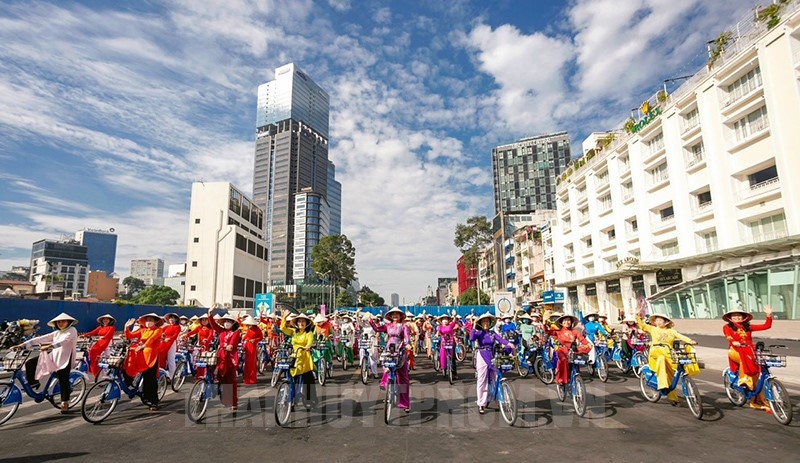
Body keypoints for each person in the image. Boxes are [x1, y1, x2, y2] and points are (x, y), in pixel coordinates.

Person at [16, 312, 79, 414]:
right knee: (30, 362)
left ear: (69, 322)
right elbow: (42, 338)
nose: (60, 323)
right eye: (58, 322)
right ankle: (33, 382)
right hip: (53, 356)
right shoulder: (57, 333)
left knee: (63, 378)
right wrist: (23, 344)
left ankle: (64, 402)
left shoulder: (72, 330)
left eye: (63, 321)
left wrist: (50, 346)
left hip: (65, 358)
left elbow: (64, 341)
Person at [637, 314, 697, 405]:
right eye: (657, 320)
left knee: (672, 375)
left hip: (668, 354)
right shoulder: (653, 329)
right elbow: (642, 325)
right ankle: (662, 385)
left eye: (660, 320)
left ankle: (673, 398)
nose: (658, 322)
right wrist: (637, 316)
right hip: (656, 354)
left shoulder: (671, 331)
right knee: (661, 359)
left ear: (666, 322)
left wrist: (690, 341)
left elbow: (681, 336)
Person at [723, 306, 774, 411]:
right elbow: (729, 337)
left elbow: (766, 326)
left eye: (739, 315)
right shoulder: (727, 327)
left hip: (749, 351)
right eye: (734, 316)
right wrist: (734, 342)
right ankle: (744, 382)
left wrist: (768, 315)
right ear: (730, 318)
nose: (737, 317)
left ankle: (756, 399)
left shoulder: (748, 327)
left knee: (757, 372)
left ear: (743, 317)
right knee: (744, 360)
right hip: (735, 351)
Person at [469, 313, 514, 414]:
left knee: (496, 377)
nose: (486, 323)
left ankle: (500, 400)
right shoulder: (479, 332)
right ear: (480, 323)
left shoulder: (492, 333)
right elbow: (471, 338)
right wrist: (473, 325)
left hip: (492, 355)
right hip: (482, 355)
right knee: (482, 380)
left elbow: (501, 340)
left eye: (487, 321)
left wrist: (509, 344)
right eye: (484, 321)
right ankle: (481, 403)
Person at [369, 307, 411, 412]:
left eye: (397, 314)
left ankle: (405, 403)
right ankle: (387, 388)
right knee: (387, 367)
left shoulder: (404, 326)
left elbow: (407, 337)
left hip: (400, 350)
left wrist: (408, 344)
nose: (395, 316)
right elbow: (377, 329)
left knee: (403, 378)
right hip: (389, 349)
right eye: (393, 314)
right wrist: (370, 321)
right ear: (390, 316)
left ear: (401, 316)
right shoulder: (387, 326)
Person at [124, 313, 163, 411]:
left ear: (155, 322)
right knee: (127, 366)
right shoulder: (143, 330)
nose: (148, 322)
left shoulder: (158, 330)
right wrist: (126, 327)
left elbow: (152, 339)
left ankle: (153, 401)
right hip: (141, 354)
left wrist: (143, 345)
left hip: (151, 357)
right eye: (147, 320)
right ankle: (130, 386)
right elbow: (130, 336)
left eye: (151, 320)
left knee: (150, 379)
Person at [279, 311, 317, 407]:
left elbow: (310, 342)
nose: (301, 323)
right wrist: (284, 317)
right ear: (296, 323)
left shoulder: (309, 333)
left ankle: (310, 399)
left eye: (303, 321)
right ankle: (291, 397)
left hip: (305, 357)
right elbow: (282, 328)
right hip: (295, 356)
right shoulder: (293, 332)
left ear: (307, 323)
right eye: (299, 321)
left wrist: (308, 346)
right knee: (291, 376)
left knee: (308, 379)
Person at [207, 311, 241, 411]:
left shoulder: (236, 332)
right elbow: (213, 324)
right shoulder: (221, 331)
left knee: (231, 380)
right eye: (225, 321)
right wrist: (210, 314)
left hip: (230, 357)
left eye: (229, 321)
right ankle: (226, 398)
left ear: (233, 323)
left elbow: (233, 342)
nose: (227, 323)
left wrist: (230, 346)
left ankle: (234, 402)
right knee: (222, 378)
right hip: (221, 356)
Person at [553, 314, 591, 386]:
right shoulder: (558, 332)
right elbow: (553, 340)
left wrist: (588, 343)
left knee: (580, 357)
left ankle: (576, 375)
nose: (567, 322)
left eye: (568, 320)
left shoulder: (575, 331)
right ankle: (561, 379)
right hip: (562, 350)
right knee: (563, 360)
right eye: (565, 320)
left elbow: (582, 339)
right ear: (561, 322)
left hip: (572, 349)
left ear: (571, 322)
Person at [82, 313, 116, 380]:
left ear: (110, 320)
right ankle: (95, 372)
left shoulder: (111, 328)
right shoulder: (100, 327)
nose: (105, 320)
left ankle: (105, 376)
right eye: (104, 319)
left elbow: (108, 335)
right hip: (100, 342)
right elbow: (93, 332)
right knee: (92, 354)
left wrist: (103, 338)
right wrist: (85, 335)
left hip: (106, 344)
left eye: (107, 319)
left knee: (104, 361)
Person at [183, 313, 215, 379]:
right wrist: (186, 335)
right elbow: (193, 332)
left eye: (206, 320)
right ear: (200, 321)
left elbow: (210, 336)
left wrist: (207, 340)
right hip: (199, 345)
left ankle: (206, 375)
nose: (204, 321)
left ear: (208, 321)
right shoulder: (199, 327)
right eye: (203, 320)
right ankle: (198, 374)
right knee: (198, 360)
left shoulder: (210, 328)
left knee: (204, 361)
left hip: (206, 345)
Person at [241, 316, 263, 385]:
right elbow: (246, 336)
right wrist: (242, 339)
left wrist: (254, 340)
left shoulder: (257, 329)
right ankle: (246, 378)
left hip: (252, 346)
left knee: (251, 363)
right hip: (247, 345)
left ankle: (252, 379)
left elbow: (261, 337)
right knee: (247, 363)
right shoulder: (249, 329)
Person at [159, 313, 182, 378]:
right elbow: (160, 331)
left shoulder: (178, 327)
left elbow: (175, 336)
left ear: (176, 319)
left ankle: (172, 376)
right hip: (164, 342)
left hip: (172, 343)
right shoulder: (166, 326)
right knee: (161, 355)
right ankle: (162, 371)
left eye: (173, 318)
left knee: (170, 359)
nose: (171, 319)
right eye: (170, 318)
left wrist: (169, 338)